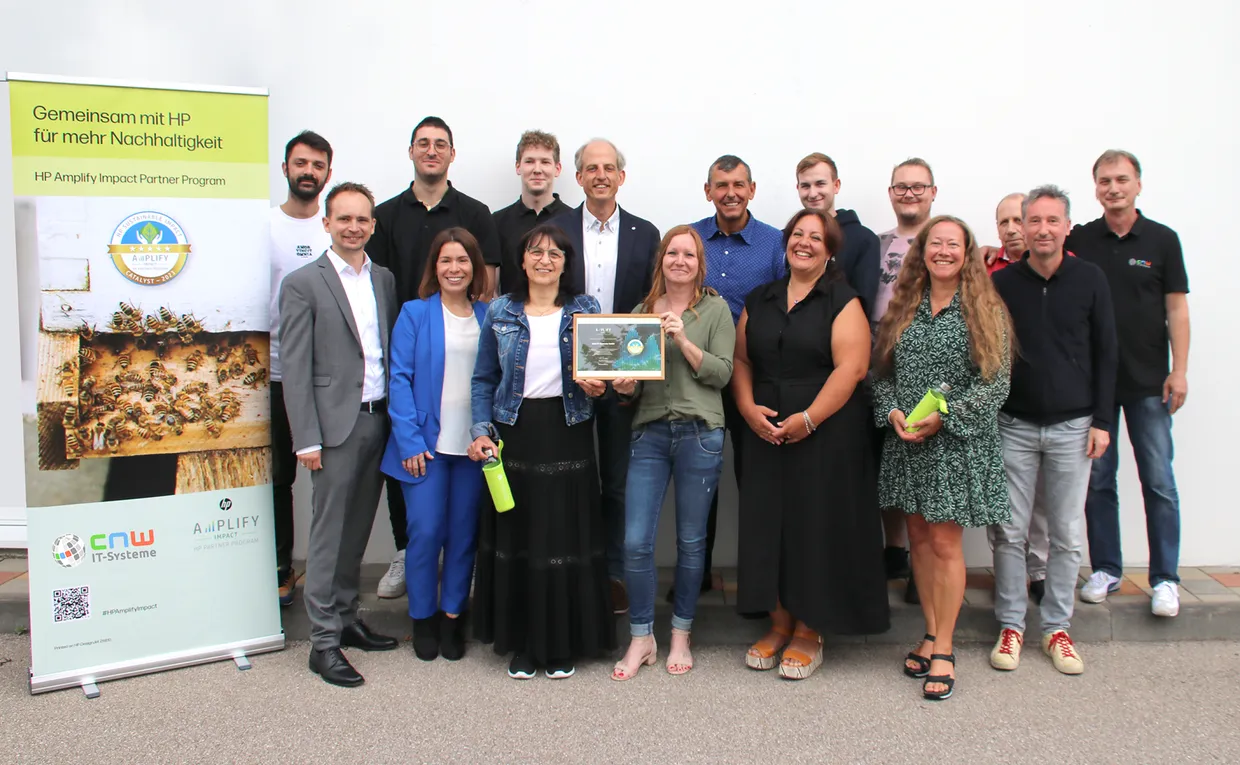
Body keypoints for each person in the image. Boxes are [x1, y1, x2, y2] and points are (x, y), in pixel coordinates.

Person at [734, 209, 889, 681]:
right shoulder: (760, 298)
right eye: (797, 234)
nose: (804, 242)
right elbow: (741, 359)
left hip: (826, 432)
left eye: (815, 237)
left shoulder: (843, 301)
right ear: (785, 242)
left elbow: (852, 369)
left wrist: (808, 419)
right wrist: (745, 408)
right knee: (767, 526)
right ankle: (778, 624)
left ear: (830, 249)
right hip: (763, 429)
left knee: (813, 527)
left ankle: (809, 630)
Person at [872, 215, 1013, 701]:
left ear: (966, 252)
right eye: (936, 244)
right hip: (907, 442)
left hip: (953, 444)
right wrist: (889, 409)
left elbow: (996, 384)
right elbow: (883, 372)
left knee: (946, 544)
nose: (944, 252)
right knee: (918, 539)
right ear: (922, 252)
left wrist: (946, 416)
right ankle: (931, 631)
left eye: (954, 244)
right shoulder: (903, 305)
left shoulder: (984, 308)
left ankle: (946, 648)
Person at [468, 223, 615, 679]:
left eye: (555, 253)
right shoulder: (500, 311)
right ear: (523, 259)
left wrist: (601, 386)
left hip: (568, 429)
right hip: (516, 431)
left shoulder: (585, 309)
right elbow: (483, 380)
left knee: (563, 537)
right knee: (523, 537)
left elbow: (605, 375)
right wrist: (480, 430)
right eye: (536, 251)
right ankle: (525, 645)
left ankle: (563, 642)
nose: (545, 259)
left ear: (567, 262)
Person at [368, 116, 502, 600]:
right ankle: (407, 558)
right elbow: (375, 286)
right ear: (410, 152)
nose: (431, 151)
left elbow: (490, 289)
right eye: (422, 143)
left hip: (469, 420)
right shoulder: (384, 216)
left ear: (451, 153)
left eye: (440, 144)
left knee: (464, 526)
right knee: (419, 515)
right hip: (411, 352)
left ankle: (452, 605)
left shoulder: (475, 212)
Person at [991, 185, 1117, 677]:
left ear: (1067, 226)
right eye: (1033, 221)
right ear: (1021, 226)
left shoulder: (1090, 279)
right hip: (1014, 425)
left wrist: (1103, 421)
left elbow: (1107, 353)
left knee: (1065, 535)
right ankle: (1011, 624)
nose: (1041, 229)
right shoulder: (1004, 283)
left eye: (1052, 220)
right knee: (1009, 533)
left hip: (1073, 426)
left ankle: (1057, 629)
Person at [278, 182, 400, 687]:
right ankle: (323, 641)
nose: (354, 227)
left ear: (372, 225)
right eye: (344, 218)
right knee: (328, 535)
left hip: (378, 418)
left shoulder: (385, 279)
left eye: (362, 219)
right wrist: (305, 437)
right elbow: (295, 365)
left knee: (358, 528)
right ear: (326, 223)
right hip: (331, 429)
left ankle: (348, 618)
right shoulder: (303, 283)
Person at [607, 226, 736, 680]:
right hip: (649, 434)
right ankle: (642, 636)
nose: (679, 260)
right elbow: (628, 383)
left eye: (689, 254)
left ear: (700, 263)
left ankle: (681, 631)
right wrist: (624, 386)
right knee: (636, 541)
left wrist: (682, 340)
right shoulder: (642, 312)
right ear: (662, 259)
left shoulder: (715, 309)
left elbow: (722, 374)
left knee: (691, 541)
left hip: (701, 434)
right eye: (672, 253)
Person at [1074, 150, 1190, 619]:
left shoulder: (1163, 240)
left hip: (1149, 384)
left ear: (1138, 184)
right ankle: (1106, 569)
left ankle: (1165, 579)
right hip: (1094, 384)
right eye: (1104, 181)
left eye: (1122, 179)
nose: (1113, 188)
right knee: (1099, 481)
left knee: (1159, 482)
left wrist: (1178, 369)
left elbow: (1177, 309)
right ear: (1095, 187)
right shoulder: (1081, 238)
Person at [550, 138, 660, 614]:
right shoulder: (553, 229)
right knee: (566, 476)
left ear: (621, 176)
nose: (600, 175)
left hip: (625, 375)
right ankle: (570, 570)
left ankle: (613, 575)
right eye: (590, 168)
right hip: (564, 371)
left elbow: (651, 302)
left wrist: (631, 373)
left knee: (617, 480)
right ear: (577, 178)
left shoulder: (645, 232)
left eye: (608, 167)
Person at [378, 227, 489, 662]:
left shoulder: (489, 315)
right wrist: (408, 440)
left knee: (463, 538)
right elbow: (399, 378)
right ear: (435, 267)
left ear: (475, 268)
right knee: (424, 534)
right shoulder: (414, 314)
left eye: (463, 261)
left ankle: (452, 618)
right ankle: (422, 618)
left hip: (473, 448)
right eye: (446, 261)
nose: (454, 268)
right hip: (423, 447)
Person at [686, 154, 784, 600]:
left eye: (739, 184)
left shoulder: (775, 244)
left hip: (753, 378)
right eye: (721, 185)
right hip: (696, 376)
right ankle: (697, 573)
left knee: (757, 481)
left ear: (752, 189)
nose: (730, 193)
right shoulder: (689, 241)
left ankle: (760, 580)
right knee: (697, 478)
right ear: (708, 191)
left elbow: (788, 308)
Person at [269, 129, 333, 608]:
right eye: (301, 163)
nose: (308, 171)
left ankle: (326, 574)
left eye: (317, 165)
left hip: (323, 377)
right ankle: (278, 566)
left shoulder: (332, 230)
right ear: (286, 168)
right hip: (267, 373)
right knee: (275, 476)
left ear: (327, 173)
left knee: (325, 477)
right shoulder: (264, 226)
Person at [874, 157, 938, 603]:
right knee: (886, 464)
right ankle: (893, 550)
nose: (909, 193)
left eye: (918, 187)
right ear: (891, 192)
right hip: (878, 364)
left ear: (934, 192)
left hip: (928, 363)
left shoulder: (947, 239)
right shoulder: (877, 244)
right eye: (902, 187)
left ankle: (924, 564)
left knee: (925, 466)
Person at [984, 192, 1050, 604]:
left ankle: (1039, 570)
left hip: (1042, 399)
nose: (1011, 230)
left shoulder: (1061, 267)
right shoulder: (990, 270)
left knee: (1041, 496)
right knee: (1005, 496)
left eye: (1016, 221)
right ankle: (1007, 573)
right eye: (1003, 223)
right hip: (1000, 400)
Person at [796, 152, 880, 316]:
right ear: (797, 188)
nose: (812, 193)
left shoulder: (864, 240)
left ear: (836, 185)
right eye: (805, 186)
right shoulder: (790, 239)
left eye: (820, 184)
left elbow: (863, 308)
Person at [494, 130, 574, 295]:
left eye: (545, 162)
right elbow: (491, 289)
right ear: (518, 167)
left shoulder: (574, 221)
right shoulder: (497, 222)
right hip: (511, 318)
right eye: (530, 161)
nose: (537, 170)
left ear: (557, 168)